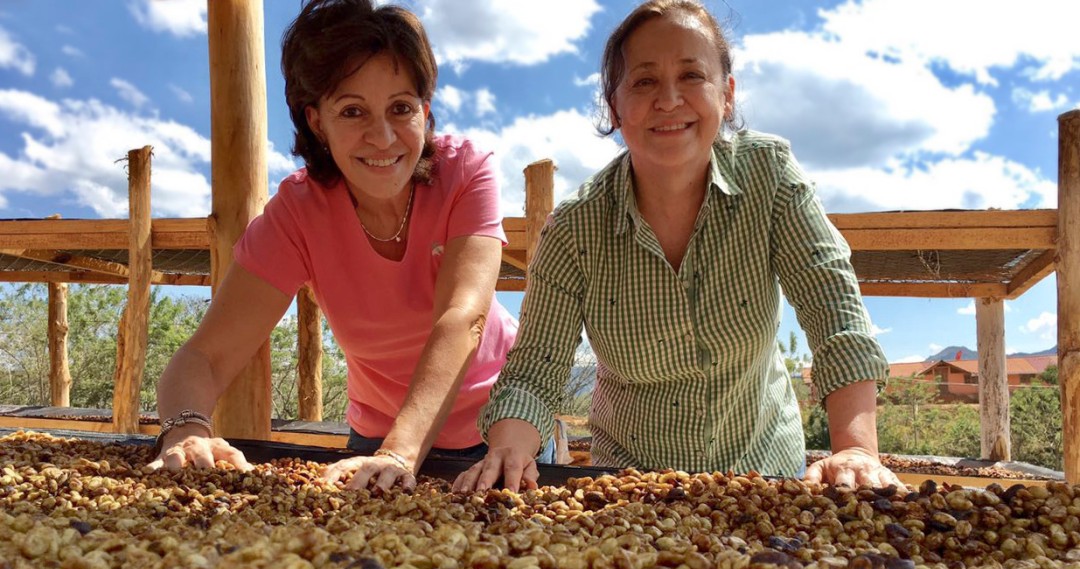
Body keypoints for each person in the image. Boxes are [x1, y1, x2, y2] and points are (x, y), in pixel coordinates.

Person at [454, 0, 900, 493]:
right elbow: (535, 370)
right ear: (614, 106)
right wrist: (510, 449)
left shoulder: (769, 176)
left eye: (692, 75)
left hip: (765, 472)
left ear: (726, 95)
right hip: (630, 484)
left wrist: (856, 449)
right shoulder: (575, 229)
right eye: (644, 81)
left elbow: (833, 309)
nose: (668, 99)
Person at [148, 0, 547, 491]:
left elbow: (463, 316)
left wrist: (401, 453)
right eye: (352, 111)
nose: (382, 137)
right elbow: (206, 356)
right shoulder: (298, 212)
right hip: (377, 437)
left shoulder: (465, 171)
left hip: (499, 430)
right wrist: (187, 430)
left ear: (424, 112)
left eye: (401, 109)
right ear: (317, 122)